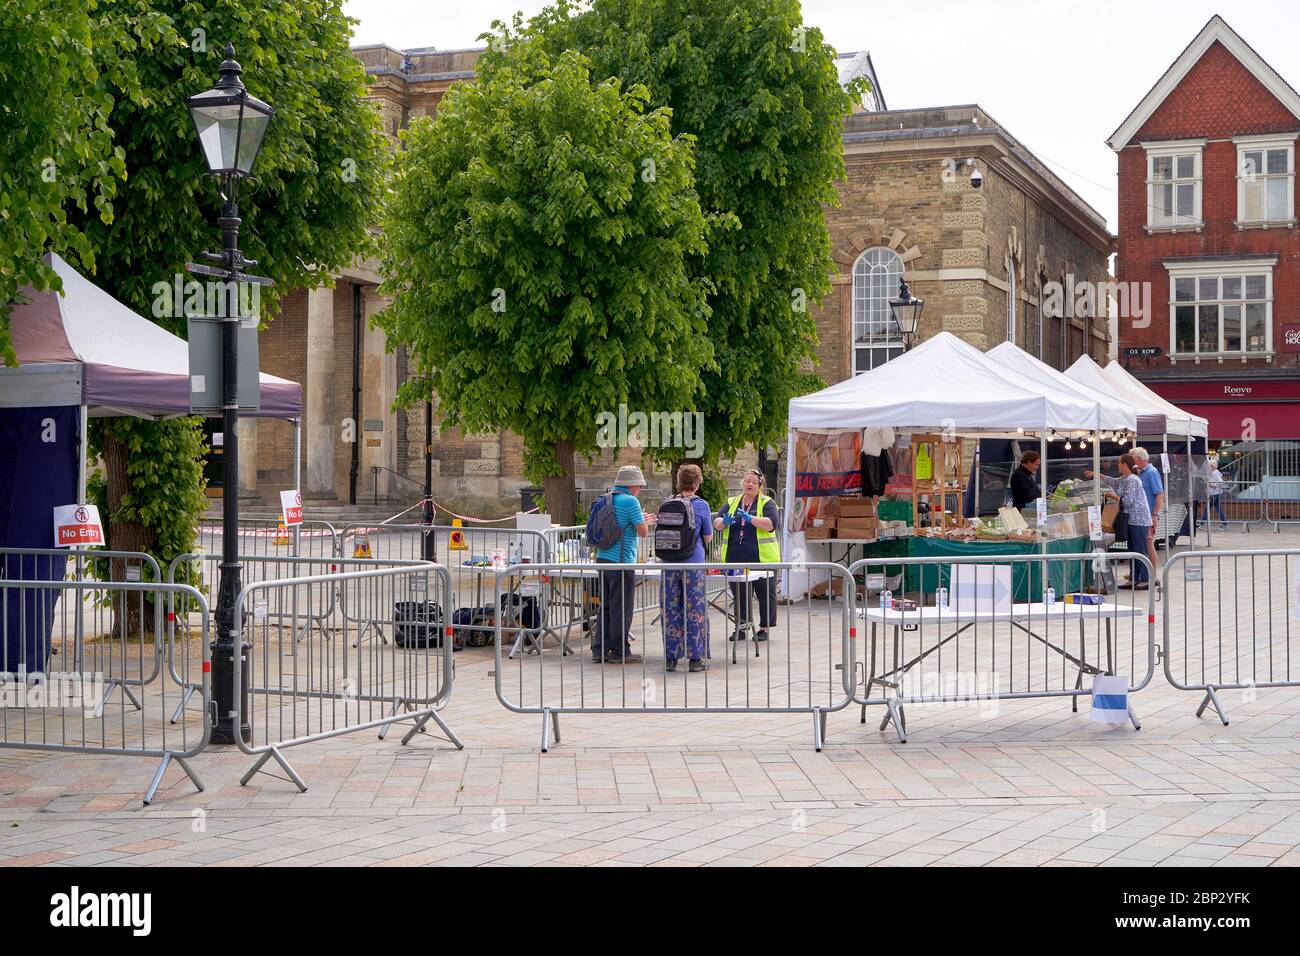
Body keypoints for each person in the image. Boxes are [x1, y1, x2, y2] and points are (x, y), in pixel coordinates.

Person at [592, 465, 652, 665]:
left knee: (606, 606)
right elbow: (642, 532)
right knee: (622, 608)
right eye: (639, 486)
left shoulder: (606, 499)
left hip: (602, 558)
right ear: (632, 485)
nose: (640, 490)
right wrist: (644, 521)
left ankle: (599, 649)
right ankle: (620, 651)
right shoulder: (630, 501)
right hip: (622, 561)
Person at [714, 469, 780, 642]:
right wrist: (724, 522)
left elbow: (771, 524)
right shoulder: (733, 501)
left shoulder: (767, 502)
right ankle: (741, 627)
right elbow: (717, 522)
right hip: (736, 557)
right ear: (742, 483)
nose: (749, 484)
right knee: (740, 595)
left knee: (765, 593)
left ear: (760, 486)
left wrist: (750, 518)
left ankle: (764, 628)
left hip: (762, 558)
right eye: (747, 481)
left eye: (753, 482)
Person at [660, 464, 713, 673]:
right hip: (693, 562)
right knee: (695, 610)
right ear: (697, 483)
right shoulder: (701, 505)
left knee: (670, 609)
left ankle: (671, 658)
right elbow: (707, 536)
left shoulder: (668, 502)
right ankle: (695, 658)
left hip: (669, 562)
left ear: (678, 482)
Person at [1089, 454, 1153, 590]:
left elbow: (1128, 501)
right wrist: (1096, 474)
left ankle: (1145, 579)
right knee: (1132, 549)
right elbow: (1113, 481)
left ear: (1125, 465)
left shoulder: (1132, 480)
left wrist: (1112, 496)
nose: (1117, 465)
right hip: (1131, 520)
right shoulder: (1125, 478)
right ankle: (1134, 578)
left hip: (1138, 520)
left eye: (1119, 463)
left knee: (1140, 549)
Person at [1132, 447, 1164, 573]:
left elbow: (1159, 494)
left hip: (1149, 516)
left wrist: (1154, 515)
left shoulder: (1151, 472)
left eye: (1133, 458)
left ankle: (1152, 573)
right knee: (1145, 543)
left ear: (1139, 458)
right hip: (1143, 516)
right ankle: (1143, 572)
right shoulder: (1140, 472)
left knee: (1149, 543)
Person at [1202, 458, 1228, 529]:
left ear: (1213, 466)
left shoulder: (1215, 473)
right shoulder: (1213, 472)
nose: (1208, 467)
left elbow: (1221, 483)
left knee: (1208, 509)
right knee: (1218, 509)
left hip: (1214, 494)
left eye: (1210, 465)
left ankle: (1201, 523)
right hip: (1214, 493)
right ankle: (1225, 524)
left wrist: (1212, 485)